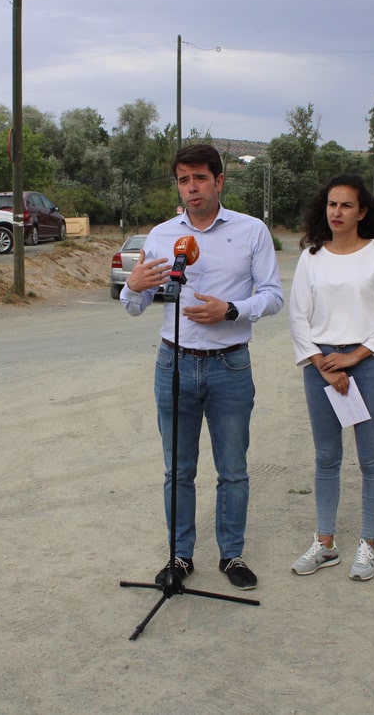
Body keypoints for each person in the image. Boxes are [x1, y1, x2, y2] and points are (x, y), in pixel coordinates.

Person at [121, 143, 284, 590]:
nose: (191, 188)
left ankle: (231, 555)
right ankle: (180, 556)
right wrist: (132, 287)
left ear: (219, 182)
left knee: (233, 468)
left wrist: (231, 310)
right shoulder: (159, 236)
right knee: (179, 469)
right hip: (173, 362)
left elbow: (273, 295)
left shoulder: (252, 232)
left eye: (200, 179)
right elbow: (136, 305)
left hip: (229, 366)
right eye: (183, 180)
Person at [288, 173, 374, 582]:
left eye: (345, 205)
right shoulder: (312, 257)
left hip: (369, 364)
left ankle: (368, 545)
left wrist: (353, 358)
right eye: (331, 204)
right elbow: (298, 316)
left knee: (371, 459)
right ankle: (325, 544)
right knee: (326, 457)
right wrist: (325, 364)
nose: (336, 212)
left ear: (362, 212)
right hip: (321, 366)